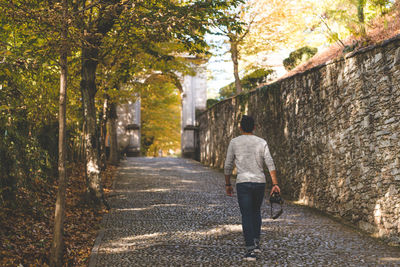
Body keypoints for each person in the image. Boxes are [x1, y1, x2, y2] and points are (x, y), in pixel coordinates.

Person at [224, 115, 280, 261]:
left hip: (243, 182)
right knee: (256, 212)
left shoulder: (234, 142)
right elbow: (270, 163)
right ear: (254, 127)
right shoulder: (262, 142)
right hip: (259, 182)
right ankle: (256, 243)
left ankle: (250, 251)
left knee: (247, 215)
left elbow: (228, 165)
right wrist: (275, 184)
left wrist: (228, 183)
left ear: (240, 127)